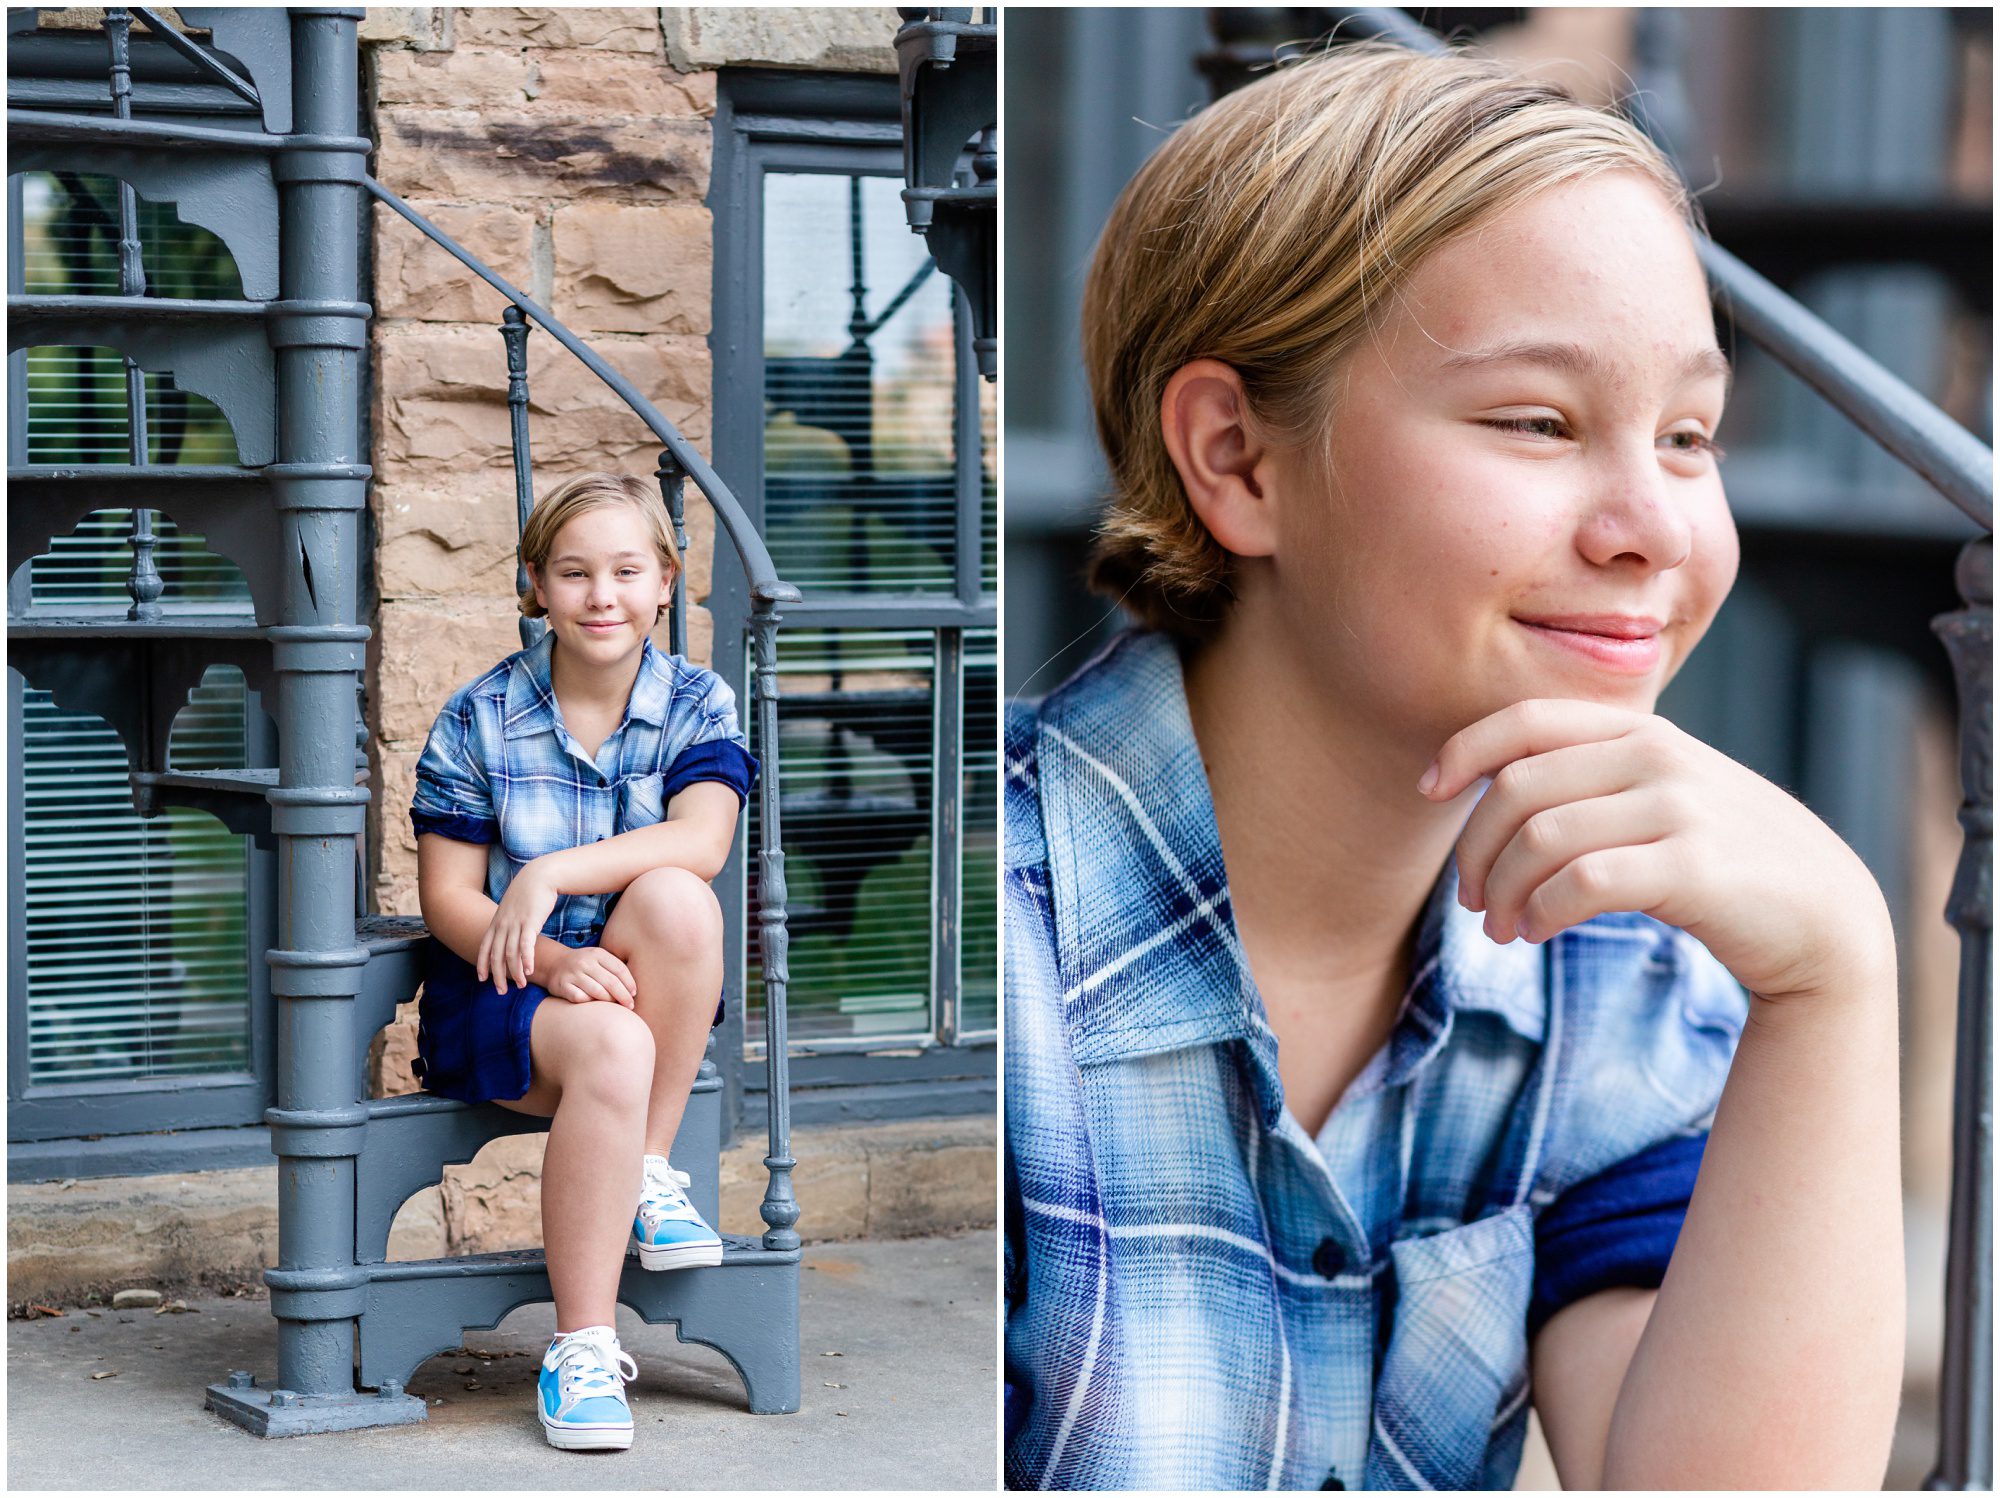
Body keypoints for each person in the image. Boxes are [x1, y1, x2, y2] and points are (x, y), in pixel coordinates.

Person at [1004, 40, 1903, 1491]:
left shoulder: (1614, 978)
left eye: (1690, 434)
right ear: (1236, 459)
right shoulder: (1005, 963)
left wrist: (1836, 979)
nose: (1655, 528)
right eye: (1538, 421)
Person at [410, 471, 756, 1452]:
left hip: (640, 974)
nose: (599, 595)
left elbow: (703, 842)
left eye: (624, 571)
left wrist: (552, 873)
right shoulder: (479, 716)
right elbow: (447, 900)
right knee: (607, 1040)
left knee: (681, 900)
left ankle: (646, 1164)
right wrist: (551, 959)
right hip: (506, 990)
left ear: (663, 584)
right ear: (535, 585)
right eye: (573, 573)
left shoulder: (695, 700)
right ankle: (583, 1345)